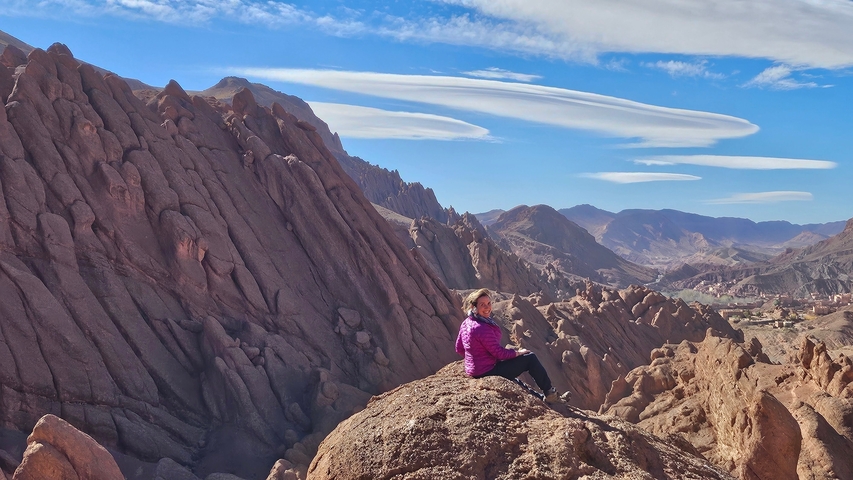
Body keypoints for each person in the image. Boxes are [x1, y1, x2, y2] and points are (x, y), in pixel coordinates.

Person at [455, 288, 561, 403]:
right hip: (486, 371)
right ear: (474, 307)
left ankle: (542, 399)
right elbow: (499, 353)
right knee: (530, 358)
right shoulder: (482, 327)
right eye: (482, 305)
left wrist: (474, 360)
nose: (487, 307)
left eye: (489, 303)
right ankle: (550, 392)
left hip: (476, 370)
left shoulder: (466, 323)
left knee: (514, 379)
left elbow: (459, 348)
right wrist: (518, 353)